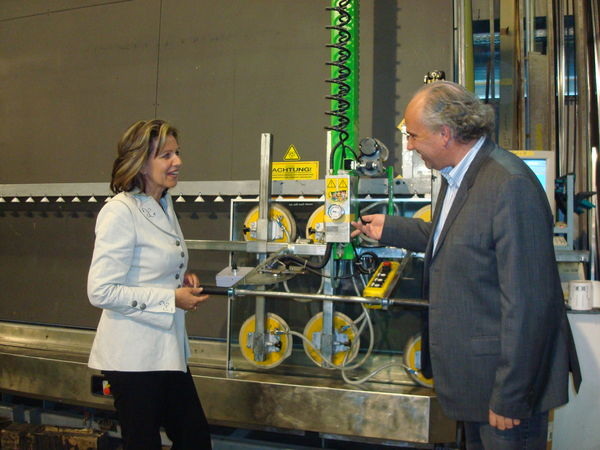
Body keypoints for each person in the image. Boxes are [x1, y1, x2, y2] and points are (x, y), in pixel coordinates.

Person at [351, 81, 581, 449]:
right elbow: (456, 239)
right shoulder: (458, 177)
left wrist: (511, 395)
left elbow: (529, 304)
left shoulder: (509, 184)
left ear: (445, 134)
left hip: (502, 389)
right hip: (476, 380)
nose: (408, 145)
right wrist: (391, 228)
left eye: (413, 136)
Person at [87, 119, 212, 449]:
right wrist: (171, 298)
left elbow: (148, 268)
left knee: (195, 438)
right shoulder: (120, 211)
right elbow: (101, 290)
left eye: (177, 153)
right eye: (166, 155)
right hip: (132, 359)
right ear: (141, 162)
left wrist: (180, 279)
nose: (178, 162)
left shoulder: (163, 204)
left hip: (166, 352)